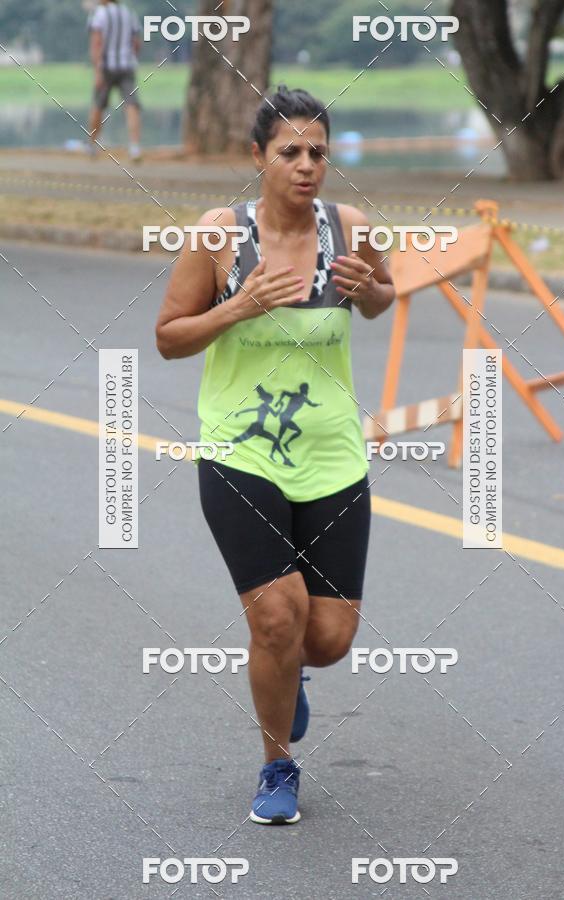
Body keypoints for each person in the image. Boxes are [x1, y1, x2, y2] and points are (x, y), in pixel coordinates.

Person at [155, 86, 395, 825]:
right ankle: (276, 767)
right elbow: (169, 336)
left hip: (332, 456)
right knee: (277, 619)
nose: (306, 165)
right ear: (257, 156)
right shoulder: (219, 235)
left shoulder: (349, 228)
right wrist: (238, 306)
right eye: (289, 151)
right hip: (239, 449)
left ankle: (291, 675)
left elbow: (384, 295)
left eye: (318, 151)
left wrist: (371, 290)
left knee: (327, 639)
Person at [87, 0, 142, 161]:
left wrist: (97, 71)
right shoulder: (129, 13)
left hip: (106, 67)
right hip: (126, 67)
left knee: (98, 105)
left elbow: (96, 43)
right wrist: (131, 57)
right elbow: (137, 43)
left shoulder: (100, 14)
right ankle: (135, 147)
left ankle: (92, 144)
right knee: (132, 105)